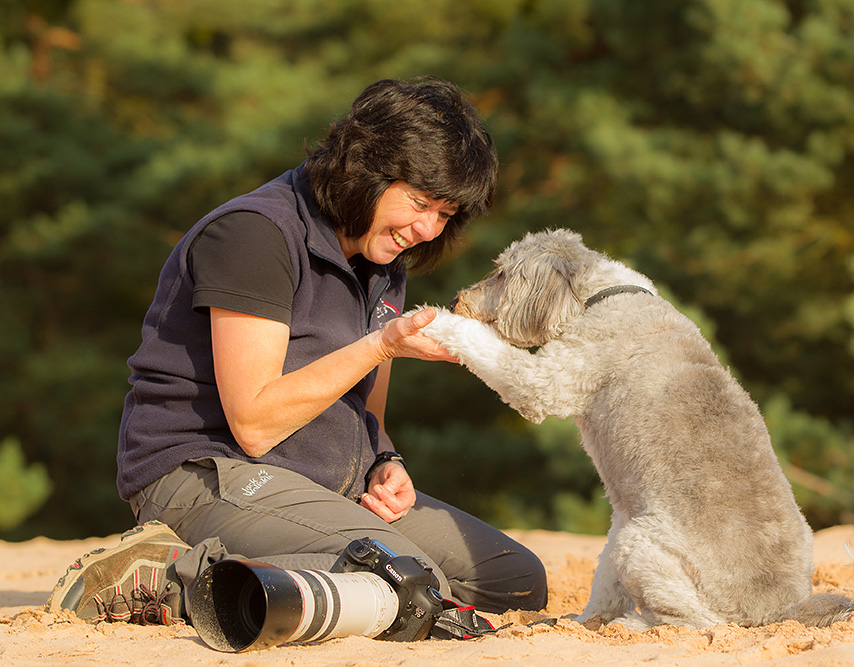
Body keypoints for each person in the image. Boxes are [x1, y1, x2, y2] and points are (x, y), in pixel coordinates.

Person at [44, 77, 547, 627]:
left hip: (317, 480)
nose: (426, 229)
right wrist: (382, 345)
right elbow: (254, 423)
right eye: (419, 202)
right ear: (366, 168)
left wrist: (384, 460)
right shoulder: (255, 235)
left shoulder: (385, 259)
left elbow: (365, 410)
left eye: (445, 214)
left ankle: (289, 570)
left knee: (515, 581)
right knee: (410, 582)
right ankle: (167, 578)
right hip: (207, 471)